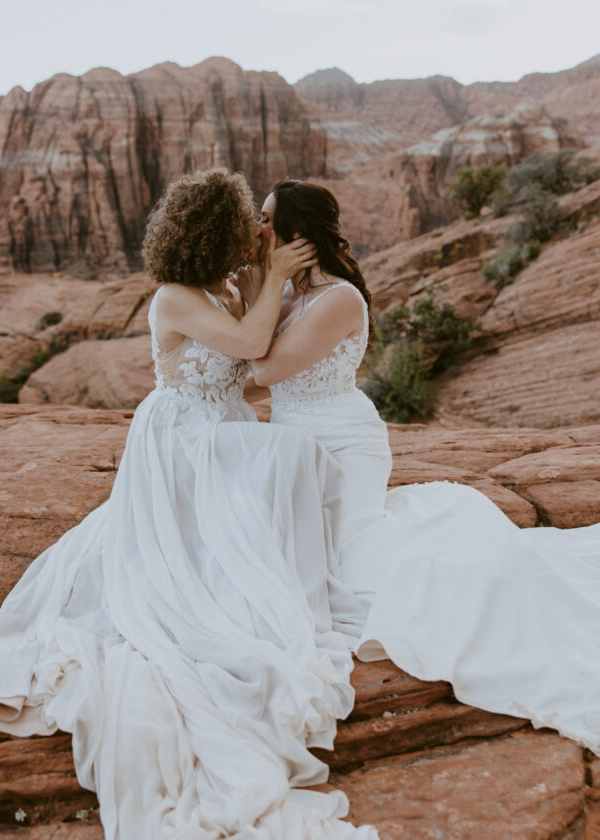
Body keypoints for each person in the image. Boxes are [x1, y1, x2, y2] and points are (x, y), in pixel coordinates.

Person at [0, 168, 380, 840]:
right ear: (215, 231)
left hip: (222, 427)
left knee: (252, 514)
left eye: (261, 222)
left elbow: (263, 343)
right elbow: (253, 347)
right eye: (245, 223)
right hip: (183, 437)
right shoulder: (175, 298)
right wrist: (272, 273)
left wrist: (263, 274)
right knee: (252, 502)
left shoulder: (227, 285)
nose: (255, 232)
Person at [251, 178, 600, 749]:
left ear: (297, 233)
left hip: (341, 445)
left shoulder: (338, 299)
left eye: (267, 219)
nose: (258, 228)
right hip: (294, 439)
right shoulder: (288, 294)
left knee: (355, 566)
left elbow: (265, 373)